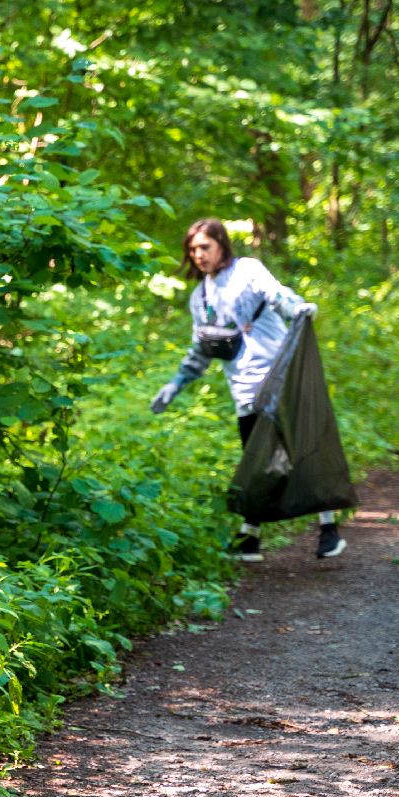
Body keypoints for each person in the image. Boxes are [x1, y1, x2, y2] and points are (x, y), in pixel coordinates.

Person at [149, 218, 346, 561]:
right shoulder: (200, 298)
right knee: (257, 463)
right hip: (245, 392)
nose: (198, 255)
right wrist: (175, 385)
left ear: (221, 244)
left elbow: (277, 295)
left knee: (303, 452)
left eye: (205, 247)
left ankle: (329, 530)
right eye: (193, 250)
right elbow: (201, 350)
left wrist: (297, 308)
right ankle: (250, 538)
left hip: (281, 378)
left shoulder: (248, 271)